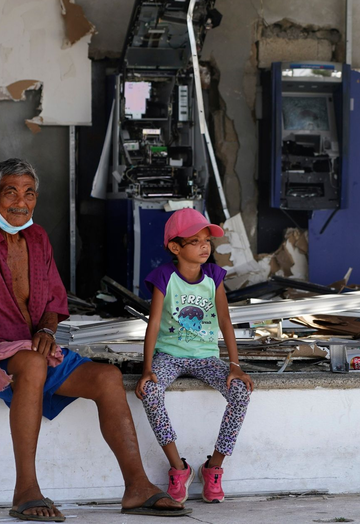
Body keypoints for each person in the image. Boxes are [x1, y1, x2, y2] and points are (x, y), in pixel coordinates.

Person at [0, 158, 190, 521]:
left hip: (29, 349)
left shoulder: (38, 238)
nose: (20, 202)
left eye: (29, 194)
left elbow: (54, 305)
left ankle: (136, 487)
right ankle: (26, 491)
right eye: (10, 192)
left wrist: (45, 330)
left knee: (106, 377)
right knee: (31, 362)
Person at [136, 208, 253, 505]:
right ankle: (179, 468)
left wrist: (234, 365)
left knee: (240, 392)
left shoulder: (214, 276)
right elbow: (153, 324)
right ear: (175, 247)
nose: (205, 246)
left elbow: (225, 320)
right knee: (150, 391)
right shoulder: (165, 276)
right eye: (196, 240)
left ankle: (214, 468)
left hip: (206, 358)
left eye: (207, 240)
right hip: (169, 356)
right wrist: (147, 368)